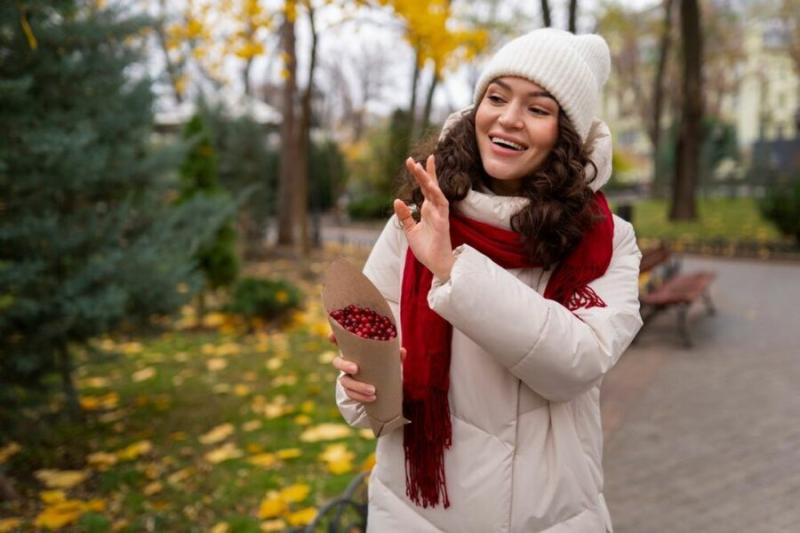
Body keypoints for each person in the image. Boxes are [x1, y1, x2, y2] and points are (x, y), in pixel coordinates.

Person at [332, 28, 642, 532]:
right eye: (496, 98)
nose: (509, 119)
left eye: (538, 109)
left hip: (547, 516)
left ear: (565, 136)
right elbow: (379, 375)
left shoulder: (606, 240)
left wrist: (453, 270)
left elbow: (577, 363)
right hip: (414, 510)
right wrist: (360, 382)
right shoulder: (417, 218)